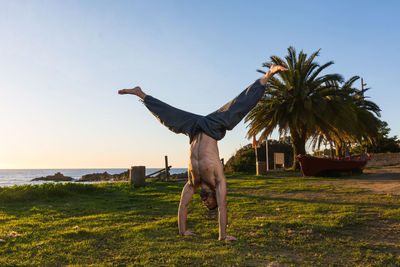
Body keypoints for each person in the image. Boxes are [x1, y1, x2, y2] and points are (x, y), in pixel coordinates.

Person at [118, 65, 287, 241]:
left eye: (204, 203)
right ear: (215, 198)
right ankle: (268, 75)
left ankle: (141, 94)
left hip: (193, 128)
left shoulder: (192, 183)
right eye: (209, 203)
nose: (205, 202)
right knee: (237, 107)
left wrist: (183, 232)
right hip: (213, 126)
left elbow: (183, 206)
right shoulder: (219, 180)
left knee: (169, 117)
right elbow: (223, 207)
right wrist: (222, 236)